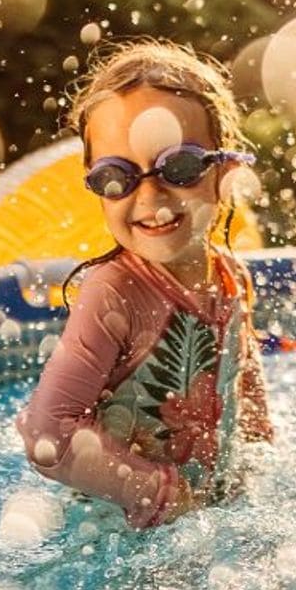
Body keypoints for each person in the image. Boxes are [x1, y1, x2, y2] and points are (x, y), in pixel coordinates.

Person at [17, 40, 273, 528]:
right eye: (117, 177)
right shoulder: (114, 292)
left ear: (226, 171)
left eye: (179, 167)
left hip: (210, 519)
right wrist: (160, 493)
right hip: (121, 531)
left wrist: (259, 457)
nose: (150, 196)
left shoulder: (231, 276)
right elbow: (46, 433)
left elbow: (246, 377)